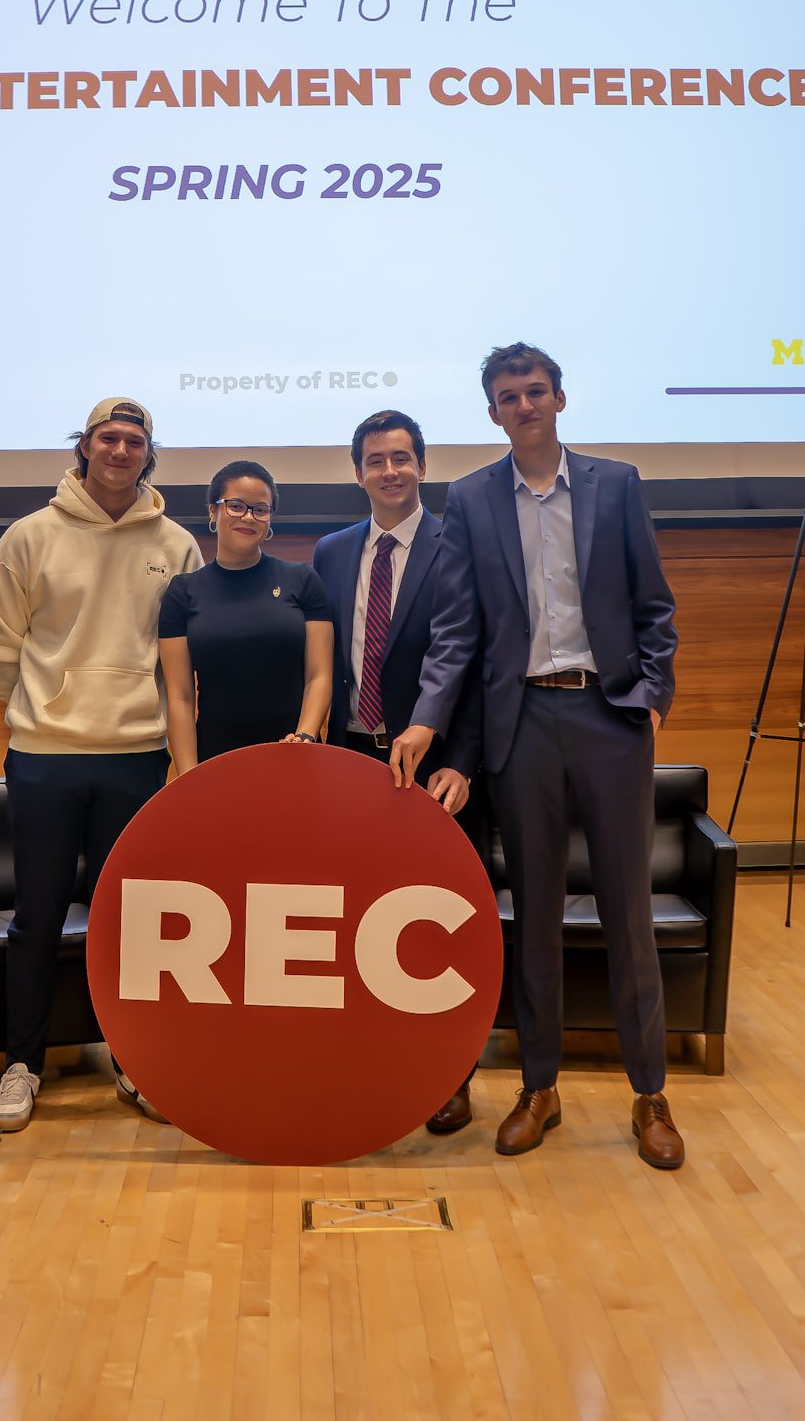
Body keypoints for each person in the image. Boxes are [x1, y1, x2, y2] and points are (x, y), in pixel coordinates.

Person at [392, 344, 684, 1169]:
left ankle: (649, 1094)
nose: (523, 405)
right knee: (537, 920)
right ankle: (538, 1087)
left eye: (535, 391)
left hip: (608, 717)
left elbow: (653, 605)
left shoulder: (614, 484)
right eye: (507, 396)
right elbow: (457, 631)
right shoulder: (471, 498)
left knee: (629, 912)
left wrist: (648, 699)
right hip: (523, 727)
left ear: (559, 399)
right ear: (490, 412)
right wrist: (423, 721)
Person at [0, 399, 202, 1131]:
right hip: (45, 756)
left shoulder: (175, 542)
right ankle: (22, 1065)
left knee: (132, 924)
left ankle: (135, 1063)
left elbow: (186, 656)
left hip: (138, 757)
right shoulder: (30, 536)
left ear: (148, 454)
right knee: (36, 917)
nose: (119, 449)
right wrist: (27, 713)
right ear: (84, 447)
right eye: (107, 437)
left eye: (134, 441)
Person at [313, 408, 488, 1135]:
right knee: (354, 923)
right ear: (357, 472)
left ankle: (450, 1076)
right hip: (353, 760)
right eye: (376, 460)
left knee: (437, 931)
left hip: (435, 769)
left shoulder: (462, 543)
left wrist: (465, 762)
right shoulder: (329, 552)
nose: (390, 470)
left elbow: (480, 661)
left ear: (421, 464)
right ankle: (364, 1064)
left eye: (402, 457)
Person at [158, 461, 334, 766]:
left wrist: (305, 737)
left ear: (270, 520)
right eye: (236, 506)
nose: (248, 517)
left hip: (293, 754)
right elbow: (180, 696)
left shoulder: (302, 580)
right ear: (213, 511)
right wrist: (187, 776)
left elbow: (319, 675)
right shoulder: (183, 591)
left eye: (260, 509)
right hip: (216, 760)